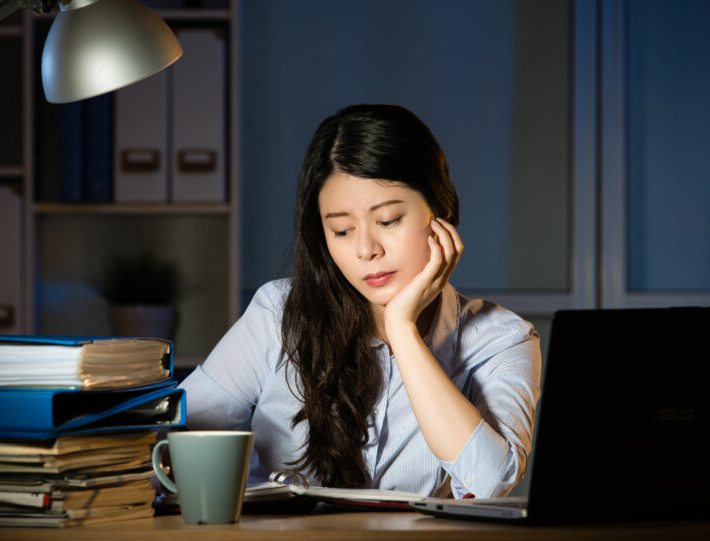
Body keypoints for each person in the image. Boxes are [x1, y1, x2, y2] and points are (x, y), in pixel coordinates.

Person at [179, 104, 541, 499]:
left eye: (387, 221)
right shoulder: (278, 314)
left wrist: (403, 332)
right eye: (342, 230)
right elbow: (173, 439)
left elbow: (489, 485)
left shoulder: (502, 339)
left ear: (442, 210)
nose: (366, 250)